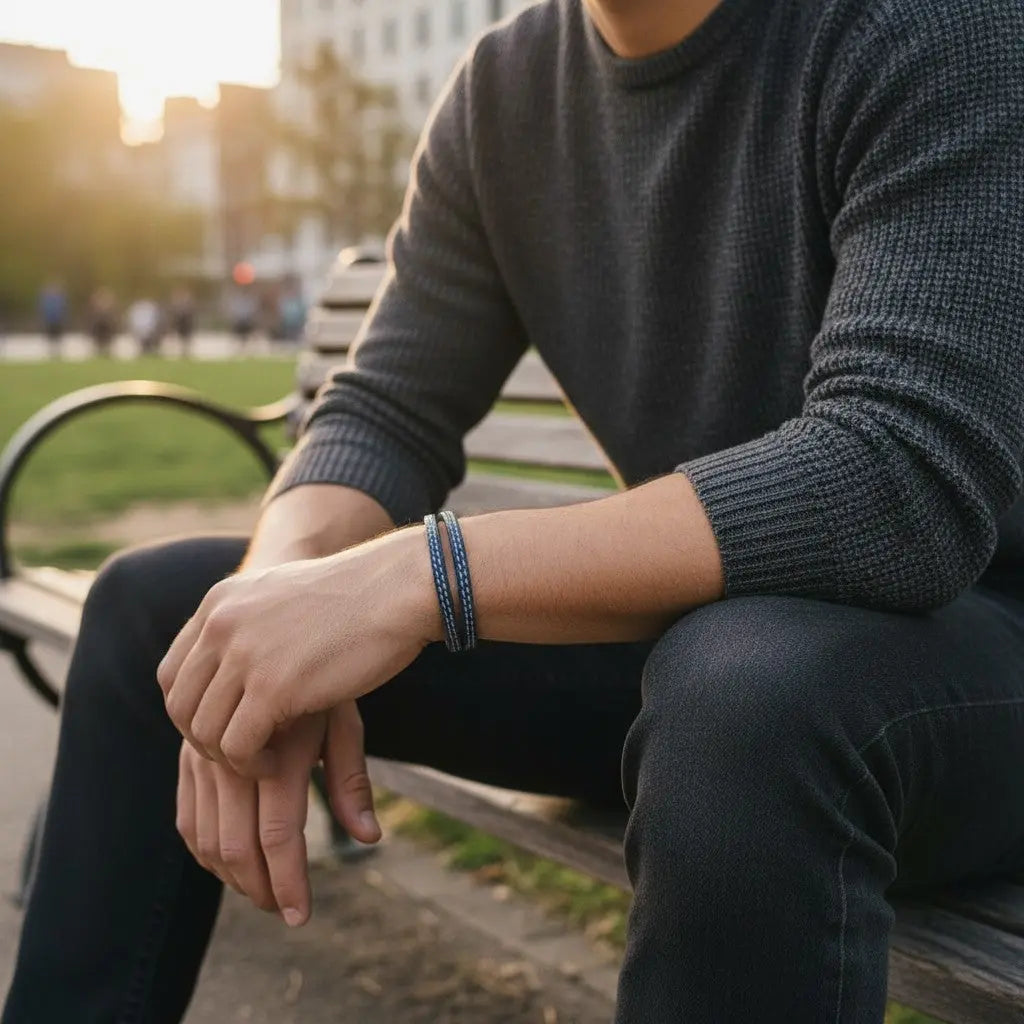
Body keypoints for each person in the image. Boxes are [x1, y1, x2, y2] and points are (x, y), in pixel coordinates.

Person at [5, 1, 1024, 1021]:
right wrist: (271, 614)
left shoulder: (930, 26)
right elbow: (385, 412)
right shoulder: (505, 91)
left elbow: (899, 479)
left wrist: (419, 575)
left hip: (958, 659)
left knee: (745, 691)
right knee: (175, 613)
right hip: (704, 641)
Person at [37, 280, 67, 358]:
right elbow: (42, 310)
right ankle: (51, 352)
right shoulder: (46, 299)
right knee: (50, 337)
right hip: (49, 321)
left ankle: (58, 352)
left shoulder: (59, 298)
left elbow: (64, 309)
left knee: (58, 337)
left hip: (58, 321)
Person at [87, 287, 117, 357]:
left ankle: (108, 352)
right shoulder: (96, 308)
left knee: (108, 339)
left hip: (107, 326)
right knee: (97, 339)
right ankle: (97, 351)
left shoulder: (109, 309)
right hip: (98, 326)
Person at [169, 286, 197, 356]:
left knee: (186, 339)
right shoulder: (177, 305)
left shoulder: (188, 304)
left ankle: (185, 352)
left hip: (186, 325)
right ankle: (181, 352)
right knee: (180, 339)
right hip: (180, 325)